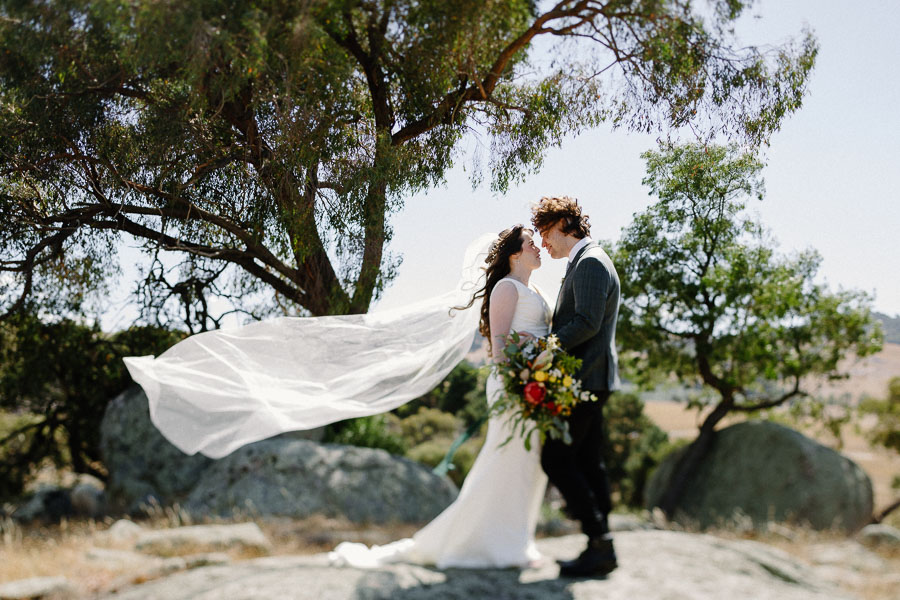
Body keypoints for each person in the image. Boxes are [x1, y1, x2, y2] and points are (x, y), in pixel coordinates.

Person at [330, 224, 553, 568]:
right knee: (506, 458)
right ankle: (487, 544)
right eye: (530, 243)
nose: (537, 247)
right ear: (514, 253)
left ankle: (515, 541)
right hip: (514, 384)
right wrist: (518, 382)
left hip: (536, 383)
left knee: (528, 462)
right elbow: (499, 347)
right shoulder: (506, 288)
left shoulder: (534, 289)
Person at [531, 196, 621, 578]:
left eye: (545, 232)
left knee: (556, 459)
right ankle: (601, 546)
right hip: (590, 378)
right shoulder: (584, 261)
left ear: (564, 224)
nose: (543, 242)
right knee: (587, 461)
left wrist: (546, 350)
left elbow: (586, 322)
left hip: (586, 379)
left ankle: (600, 541)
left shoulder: (590, 263)